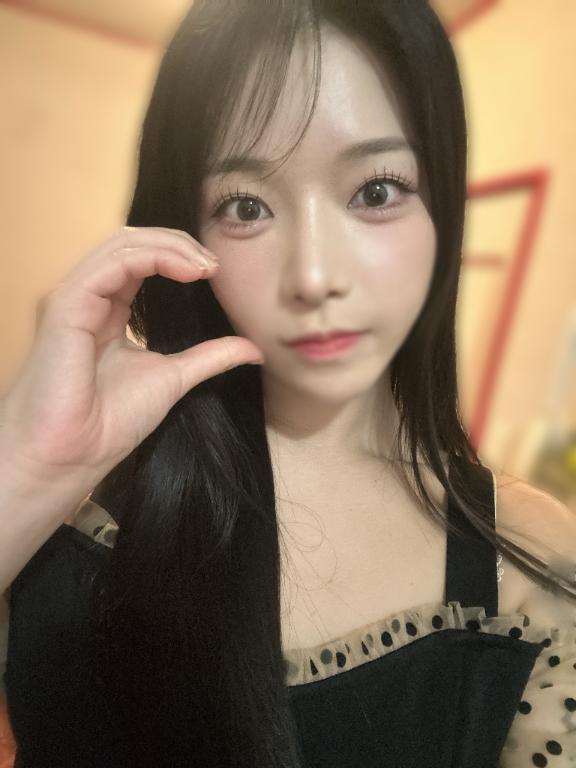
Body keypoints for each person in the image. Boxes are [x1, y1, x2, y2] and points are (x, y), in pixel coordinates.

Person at [0, 1, 575, 766]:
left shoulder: (532, 555)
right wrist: (27, 466)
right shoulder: (75, 502)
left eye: (376, 191)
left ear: (443, 204)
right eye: (246, 207)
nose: (312, 275)